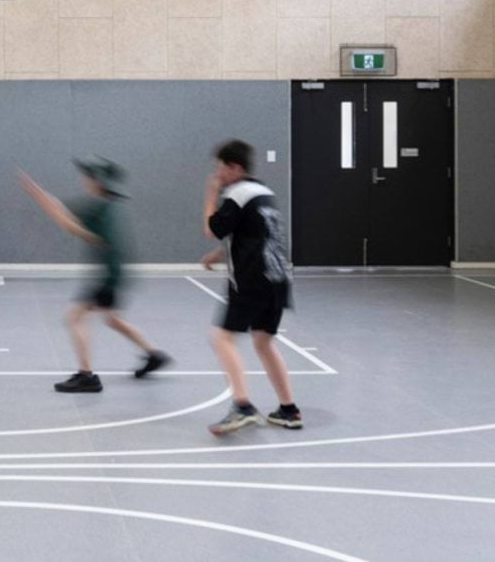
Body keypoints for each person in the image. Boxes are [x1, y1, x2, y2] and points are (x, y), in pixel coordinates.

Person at [19, 157, 170, 392]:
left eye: (88, 176)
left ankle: (87, 375)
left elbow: (68, 224)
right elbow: (66, 213)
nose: (84, 179)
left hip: (108, 276)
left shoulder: (99, 206)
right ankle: (153, 354)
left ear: (98, 181)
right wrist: (44, 197)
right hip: (116, 273)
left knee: (74, 318)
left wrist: (39, 197)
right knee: (112, 319)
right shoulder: (105, 204)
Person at [202, 139, 301, 434]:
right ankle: (289, 410)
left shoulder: (238, 192)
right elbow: (256, 235)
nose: (217, 174)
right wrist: (220, 255)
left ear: (235, 168)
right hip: (278, 279)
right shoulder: (264, 193)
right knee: (263, 342)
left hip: (252, 279)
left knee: (221, 338)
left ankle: (242, 406)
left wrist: (210, 195)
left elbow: (212, 229)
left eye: (220, 169)